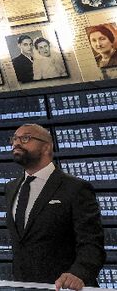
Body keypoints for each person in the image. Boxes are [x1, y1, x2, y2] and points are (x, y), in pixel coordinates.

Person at [6, 124, 105, 289]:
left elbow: (91, 242)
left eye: (25, 138)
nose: (16, 143)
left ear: (46, 147)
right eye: (14, 139)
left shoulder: (75, 187)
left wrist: (79, 273)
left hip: (64, 287)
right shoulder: (11, 188)